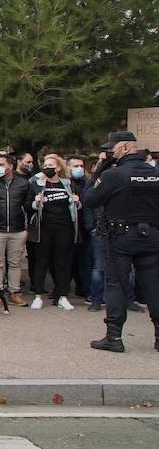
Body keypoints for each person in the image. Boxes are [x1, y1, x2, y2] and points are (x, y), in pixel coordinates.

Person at [85, 131, 159, 353]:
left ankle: (114, 337)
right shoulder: (155, 174)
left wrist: (99, 169)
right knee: (154, 285)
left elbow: (89, 199)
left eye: (113, 147)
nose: (109, 151)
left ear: (126, 147)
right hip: (152, 236)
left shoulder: (114, 176)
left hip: (121, 237)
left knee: (116, 284)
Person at [26, 154, 79, 310]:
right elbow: (27, 206)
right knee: (41, 262)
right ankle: (38, 296)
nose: (47, 167)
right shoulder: (36, 184)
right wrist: (36, 202)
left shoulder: (68, 184)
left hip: (64, 228)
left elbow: (77, 206)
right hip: (44, 229)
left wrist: (77, 202)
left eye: (51, 165)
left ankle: (62, 296)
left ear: (58, 168)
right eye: (45, 165)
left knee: (61, 263)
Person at [0, 151, 30, 307]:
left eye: (1, 164)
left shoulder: (23, 183)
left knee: (15, 263)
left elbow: (28, 206)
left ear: (10, 166)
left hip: (17, 230)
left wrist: (26, 228)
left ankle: (14, 292)